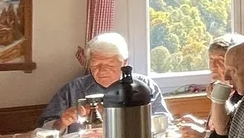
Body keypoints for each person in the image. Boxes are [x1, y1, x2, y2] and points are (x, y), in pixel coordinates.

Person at [40, 32, 171, 131]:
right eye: (95, 64)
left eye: (109, 64)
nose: (101, 70)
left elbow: (165, 122)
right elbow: (42, 131)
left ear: (124, 62)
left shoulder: (144, 86)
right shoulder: (72, 90)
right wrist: (62, 123)